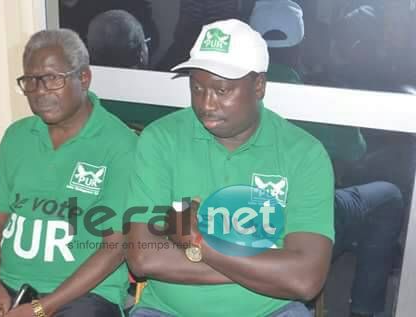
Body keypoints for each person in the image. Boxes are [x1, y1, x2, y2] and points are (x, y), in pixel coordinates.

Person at [126, 19, 334, 317]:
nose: (206, 104)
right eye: (197, 88)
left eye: (222, 91)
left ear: (259, 86)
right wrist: (270, 263)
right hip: (168, 311)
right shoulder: (161, 139)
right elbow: (143, 258)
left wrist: (197, 242)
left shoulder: (304, 154)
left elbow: (305, 279)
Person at [0, 29, 136, 317]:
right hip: (5, 283)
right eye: (30, 80)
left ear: (84, 78)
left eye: (52, 78)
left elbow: (117, 245)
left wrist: (43, 308)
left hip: (81, 295)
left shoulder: (120, 145)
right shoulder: (17, 136)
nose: (40, 91)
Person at [250, 4, 405, 316]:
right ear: (299, 47)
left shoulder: (218, 99)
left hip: (238, 219)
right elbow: (355, 153)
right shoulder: (319, 105)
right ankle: (364, 309)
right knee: (389, 195)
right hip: (306, 229)